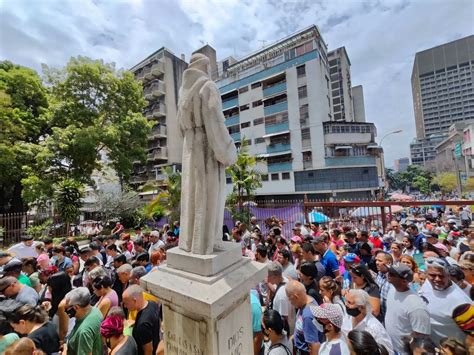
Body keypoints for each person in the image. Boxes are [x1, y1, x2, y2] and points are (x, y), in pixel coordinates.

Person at [177, 53, 238, 254]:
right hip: (206, 149)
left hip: (189, 149)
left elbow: (180, 126)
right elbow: (215, 121)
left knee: (191, 196)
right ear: (206, 66)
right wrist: (228, 151)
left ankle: (188, 242)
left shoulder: (183, 92)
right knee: (208, 195)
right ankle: (207, 242)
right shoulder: (208, 86)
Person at [419, 257, 471, 344]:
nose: (437, 279)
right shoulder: (427, 284)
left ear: (448, 276)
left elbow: (472, 335)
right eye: (432, 275)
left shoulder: (461, 303)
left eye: (441, 276)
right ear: (426, 274)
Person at [385, 264, 431, 355]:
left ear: (404, 281)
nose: (388, 274)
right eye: (389, 272)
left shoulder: (416, 306)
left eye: (392, 274)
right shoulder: (392, 289)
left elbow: (421, 337)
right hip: (392, 348)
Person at [342, 289, 393, 355]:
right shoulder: (347, 317)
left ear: (361, 307)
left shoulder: (375, 327)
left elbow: (388, 351)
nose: (346, 304)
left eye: (350, 302)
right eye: (345, 300)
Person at [285, 280, 322, 355]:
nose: (290, 302)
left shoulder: (307, 316)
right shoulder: (307, 300)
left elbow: (314, 345)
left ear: (296, 297)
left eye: (289, 298)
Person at [122, 285, 161, 355]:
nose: (125, 306)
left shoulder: (142, 325)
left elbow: (148, 350)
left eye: (126, 303)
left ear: (134, 301)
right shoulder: (152, 304)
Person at [64, 287, 103, 355]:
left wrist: (64, 352)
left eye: (67, 308)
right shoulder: (96, 311)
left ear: (76, 307)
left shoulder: (84, 332)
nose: (65, 310)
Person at [44, 271, 72, 344]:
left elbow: (64, 331)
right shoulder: (60, 298)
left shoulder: (64, 304)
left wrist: (61, 344)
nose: (48, 288)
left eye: (50, 286)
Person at [266, 262, 294, 335]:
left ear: (274, 277)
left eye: (267, 275)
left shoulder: (281, 296)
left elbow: (284, 319)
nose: (266, 278)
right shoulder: (285, 280)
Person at [374, 251, 393, 322]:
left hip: (391, 319)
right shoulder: (379, 275)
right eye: (376, 260)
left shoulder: (394, 279)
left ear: (389, 263)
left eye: (380, 261)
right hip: (380, 318)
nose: (376, 262)